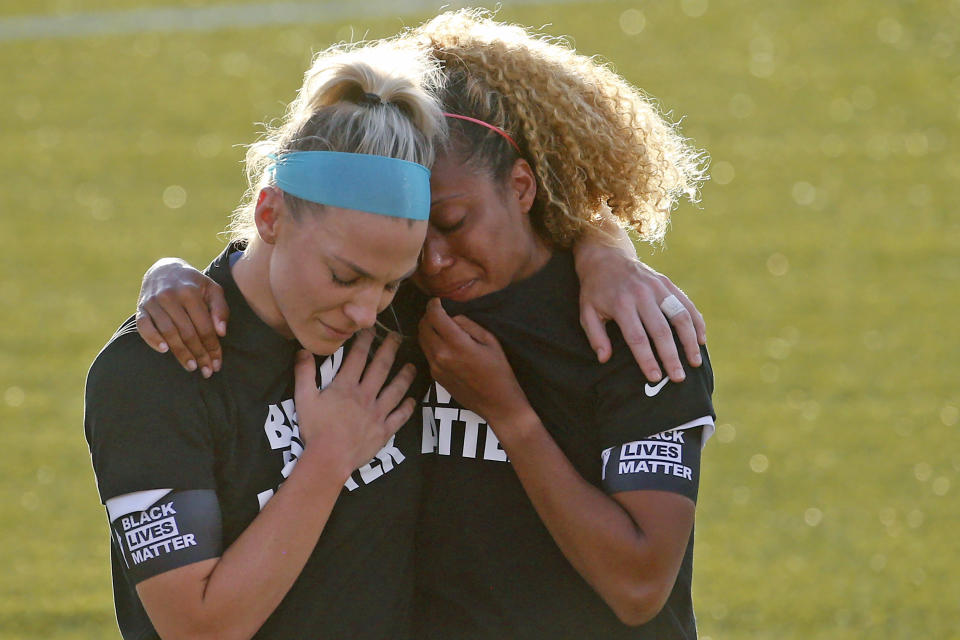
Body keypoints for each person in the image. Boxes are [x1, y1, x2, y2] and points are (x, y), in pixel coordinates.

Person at [132, 9, 713, 638]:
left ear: (523, 186)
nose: (433, 261)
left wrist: (512, 414)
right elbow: (295, 250)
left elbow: (638, 586)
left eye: (456, 222)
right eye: (413, 238)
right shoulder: (387, 308)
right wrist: (173, 275)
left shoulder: (632, 325)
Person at [84, 39, 446, 640]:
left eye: (391, 284)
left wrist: (607, 253)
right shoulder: (154, 373)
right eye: (344, 275)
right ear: (270, 215)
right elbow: (198, 629)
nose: (364, 312)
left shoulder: (397, 325)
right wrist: (327, 459)